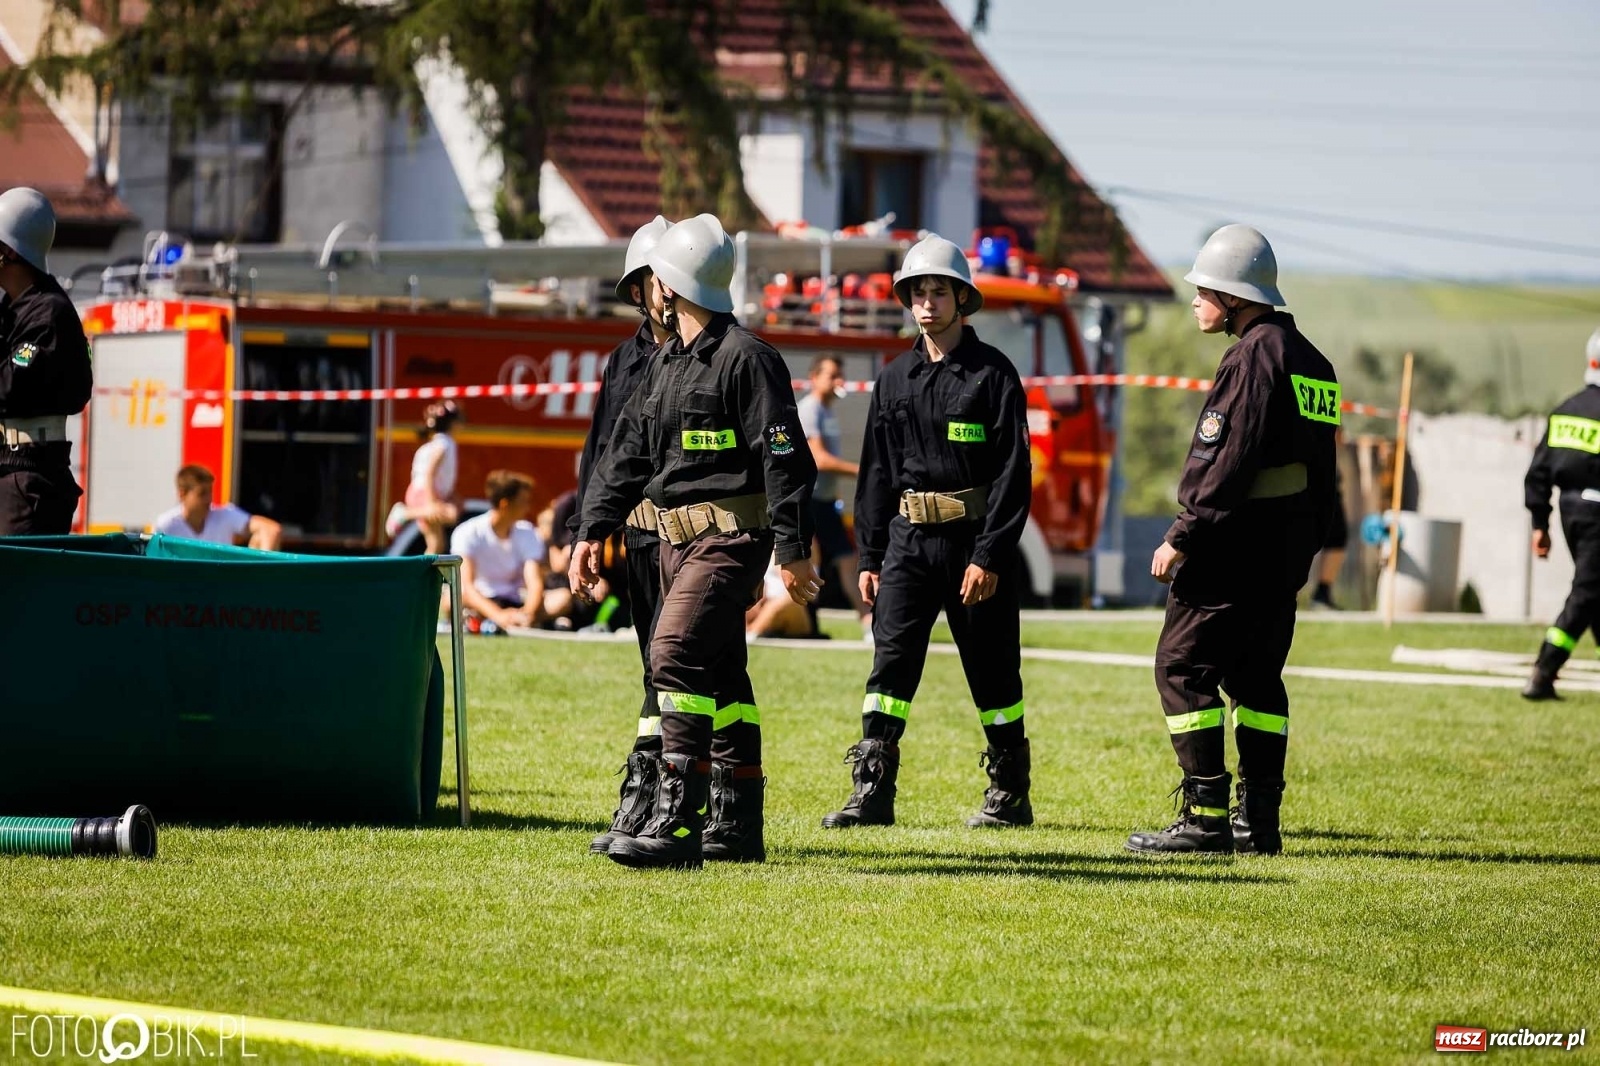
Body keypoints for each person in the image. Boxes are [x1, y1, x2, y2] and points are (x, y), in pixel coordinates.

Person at [572, 212, 820, 869]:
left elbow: (786, 460)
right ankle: (738, 826)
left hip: (730, 541)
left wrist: (792, 552)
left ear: (671, 283)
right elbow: (623, 454)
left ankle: (677, 825)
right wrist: (589, 529)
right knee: (720, 673)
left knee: (674, 650)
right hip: (671, 545)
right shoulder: (665, 364)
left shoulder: (747, 359)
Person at [1127, 224, 1339, 856]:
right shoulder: (1312, 361)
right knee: (1257, 678)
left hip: (1232, 546)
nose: (1195, 300)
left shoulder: (1250, 357)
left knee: (1182, 666)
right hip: (1283, 552)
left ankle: (1206, 816)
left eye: (1204, 290)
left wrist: (1183, 533)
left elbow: (1224, 457)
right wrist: (1304, 547)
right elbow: (1325, 472)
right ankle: (1260, 822)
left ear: (1235, 298)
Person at [821, 234, 1035, 831]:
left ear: (961, 298)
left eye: (939, 291)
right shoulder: (893, 379)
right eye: (917, 292)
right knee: (889, 669)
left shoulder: (993, 375)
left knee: (993, 673)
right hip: (908, 547)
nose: (927, 302)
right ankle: (871, 794)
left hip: (973, 546)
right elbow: (876, 473)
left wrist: (990, 556)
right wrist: (870, 554)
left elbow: (1014, 476)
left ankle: (1010, 795)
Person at [568, 216, 677, 855]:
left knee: (674, 667)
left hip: (694, 539)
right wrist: (587, 532)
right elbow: (602, 453)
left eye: (669, 278)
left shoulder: (716, 353)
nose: (662, 291)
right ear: (637, 289)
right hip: (637, 539)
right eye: (651, 280)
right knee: (652, 664)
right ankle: (654, 790)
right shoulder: (624, 361)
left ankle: (655, 791)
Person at [0, 187, 91, 534]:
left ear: (7, 251)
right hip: (11, 470)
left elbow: (7, 386)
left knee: (15, 584)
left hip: (30, 477)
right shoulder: (13, 308)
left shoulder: (48, 313)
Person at [1521, 326, 1600, 701]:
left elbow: (1537, 473)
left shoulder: (1565, 411)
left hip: (1570, 512)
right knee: (1587, 592)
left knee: (1596, 589)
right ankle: (1544, 669)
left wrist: (1540, 524)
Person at [797, 354, 872, 638]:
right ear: (814, 378)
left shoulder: (826, 410)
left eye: (840, 376)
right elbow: (819, 460)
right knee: (812, 561)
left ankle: (867, 622)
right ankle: (801, 622)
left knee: (846, 559)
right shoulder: (810, 409)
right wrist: (861, 470)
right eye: (832, 376)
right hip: (809, 502)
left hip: (825, 501)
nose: (839, 382)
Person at [450, 469, 548, 633]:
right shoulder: (467, 532)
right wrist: (498, 615)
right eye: (523, 501)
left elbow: (534, 582)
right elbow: (466, 586)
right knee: (449, 600)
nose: (528, 507)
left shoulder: (528, 532)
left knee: (562, 599)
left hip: (516, 600)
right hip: (481, 600)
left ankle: (488, 620)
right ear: (505, 504)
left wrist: (527, 613)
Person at [388, 400, 462, 554]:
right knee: (451, 514)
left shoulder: (432, 445)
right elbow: (429, 473)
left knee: (436, 544)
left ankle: (426, 575)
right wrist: (431, 502)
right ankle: (405, 513)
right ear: (452, 424)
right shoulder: (443, 445)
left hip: (421, 492)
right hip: (424, 493)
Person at [153, 465, 283, 549]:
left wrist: (262, 570)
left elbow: (271, 530)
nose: (209, 499)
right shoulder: (166, 525)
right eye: (202, 493)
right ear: (182, 494)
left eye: (210, 491)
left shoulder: (225, 514)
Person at [1310, 435, 1348, 609]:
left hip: (1326, 477)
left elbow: (1337, 436)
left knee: (1337, 536)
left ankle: (1322, 594)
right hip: (1307, 475)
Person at [746, 552, 816, 640]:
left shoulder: (803, 543)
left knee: (787, 602)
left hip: (797, 605)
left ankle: (752, 634)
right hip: (760, 602)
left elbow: (809, 588)